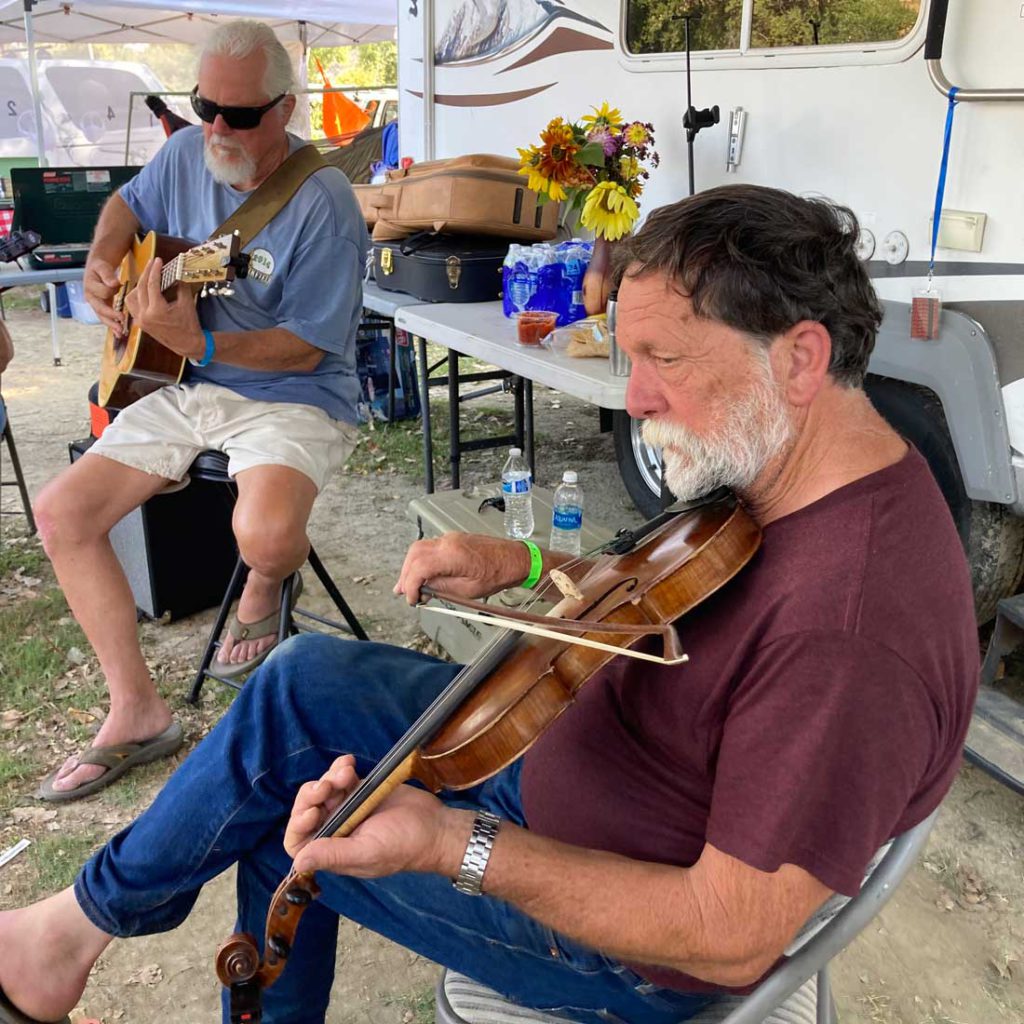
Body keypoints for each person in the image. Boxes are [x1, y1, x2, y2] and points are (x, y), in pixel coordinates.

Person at [0, 185, 978, 1024]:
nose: (633, 397)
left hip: (623, 946)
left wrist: (452, 844)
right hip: (579, 762)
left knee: (282, 828)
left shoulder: (849, 634)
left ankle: (66, 941)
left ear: (800, 358)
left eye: (666, 360)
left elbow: (726, 935)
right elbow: (684, 595)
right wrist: (522, 559)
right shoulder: (801, 473)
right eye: (629, 356)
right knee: (296, 682)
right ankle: (74, 926)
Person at [31, 21, 368, 801]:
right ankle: (136, 710)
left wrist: (204, 342)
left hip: (292, 394)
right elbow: (126, 205)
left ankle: (264, 586)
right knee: (62, 515)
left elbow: (308, 349)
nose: (216, 128)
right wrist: (102, 261)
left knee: (267, 537)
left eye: (239, 115)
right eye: (204, 106)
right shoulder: (186, 151)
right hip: (183, 380)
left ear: (284, 110)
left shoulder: (325, 203)